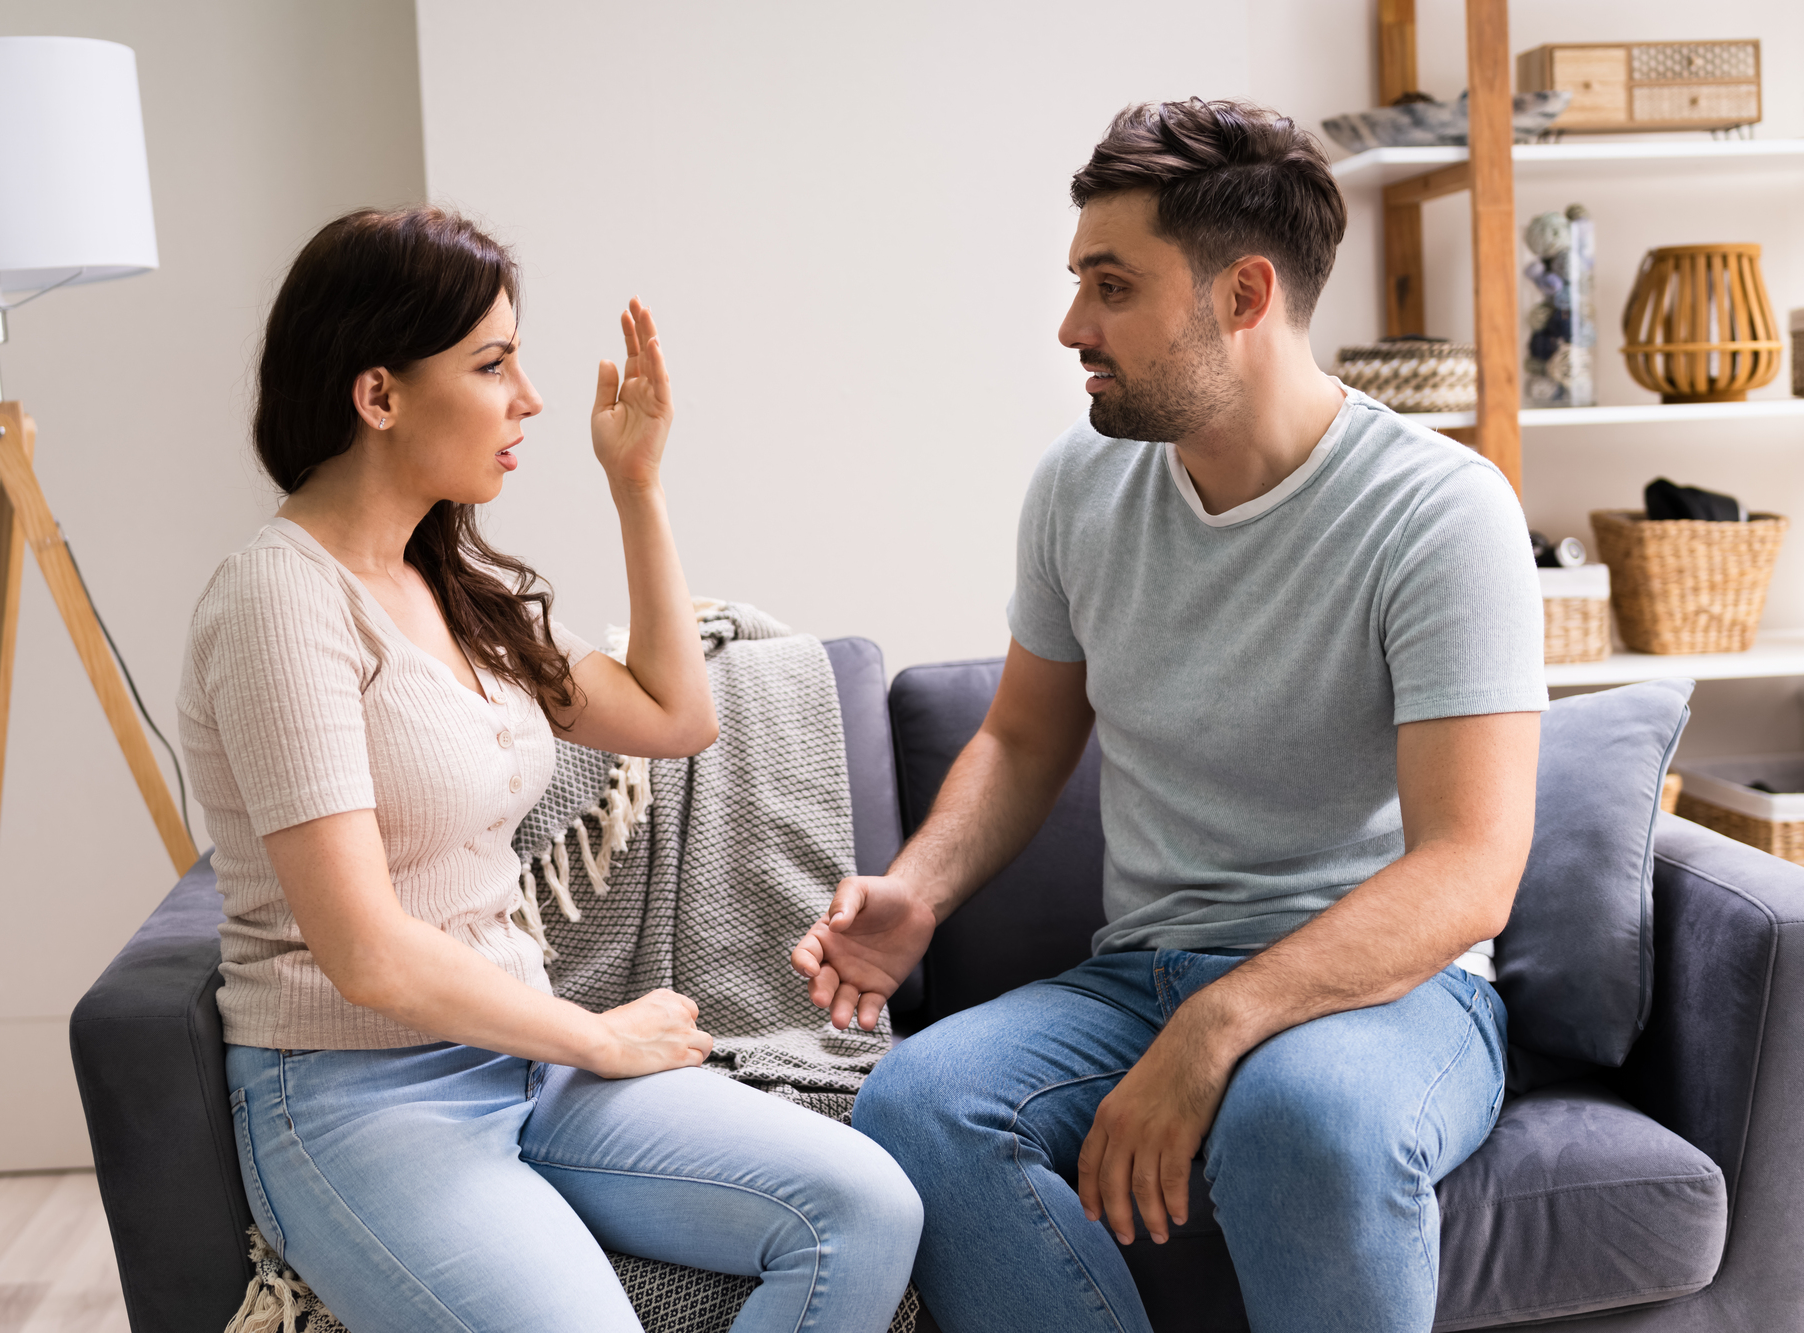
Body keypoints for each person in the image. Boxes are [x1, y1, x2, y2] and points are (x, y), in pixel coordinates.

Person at [791, 99, 1545, 1332]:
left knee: (1300, 1116)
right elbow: (1024, 735)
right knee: (915, 1106)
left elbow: (1468, 868)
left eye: (1112, 285)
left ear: (1242, 295)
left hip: (1385, 991)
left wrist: (1218, 1026)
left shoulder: (1437, 514)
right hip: (1138, 974)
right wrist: (918, 890)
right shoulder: (1080, 485)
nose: (1070, 326)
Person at [180, 206, 921, 1333]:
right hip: (354, 1099)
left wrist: (636, 482)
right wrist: (600, 1035)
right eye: (491, 363)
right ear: (376, 395)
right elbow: (364, 950)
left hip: (523, 1061)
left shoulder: (452, 586)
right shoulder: (278, 600)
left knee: (861, 1206)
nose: (528, 396)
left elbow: (677, 716)